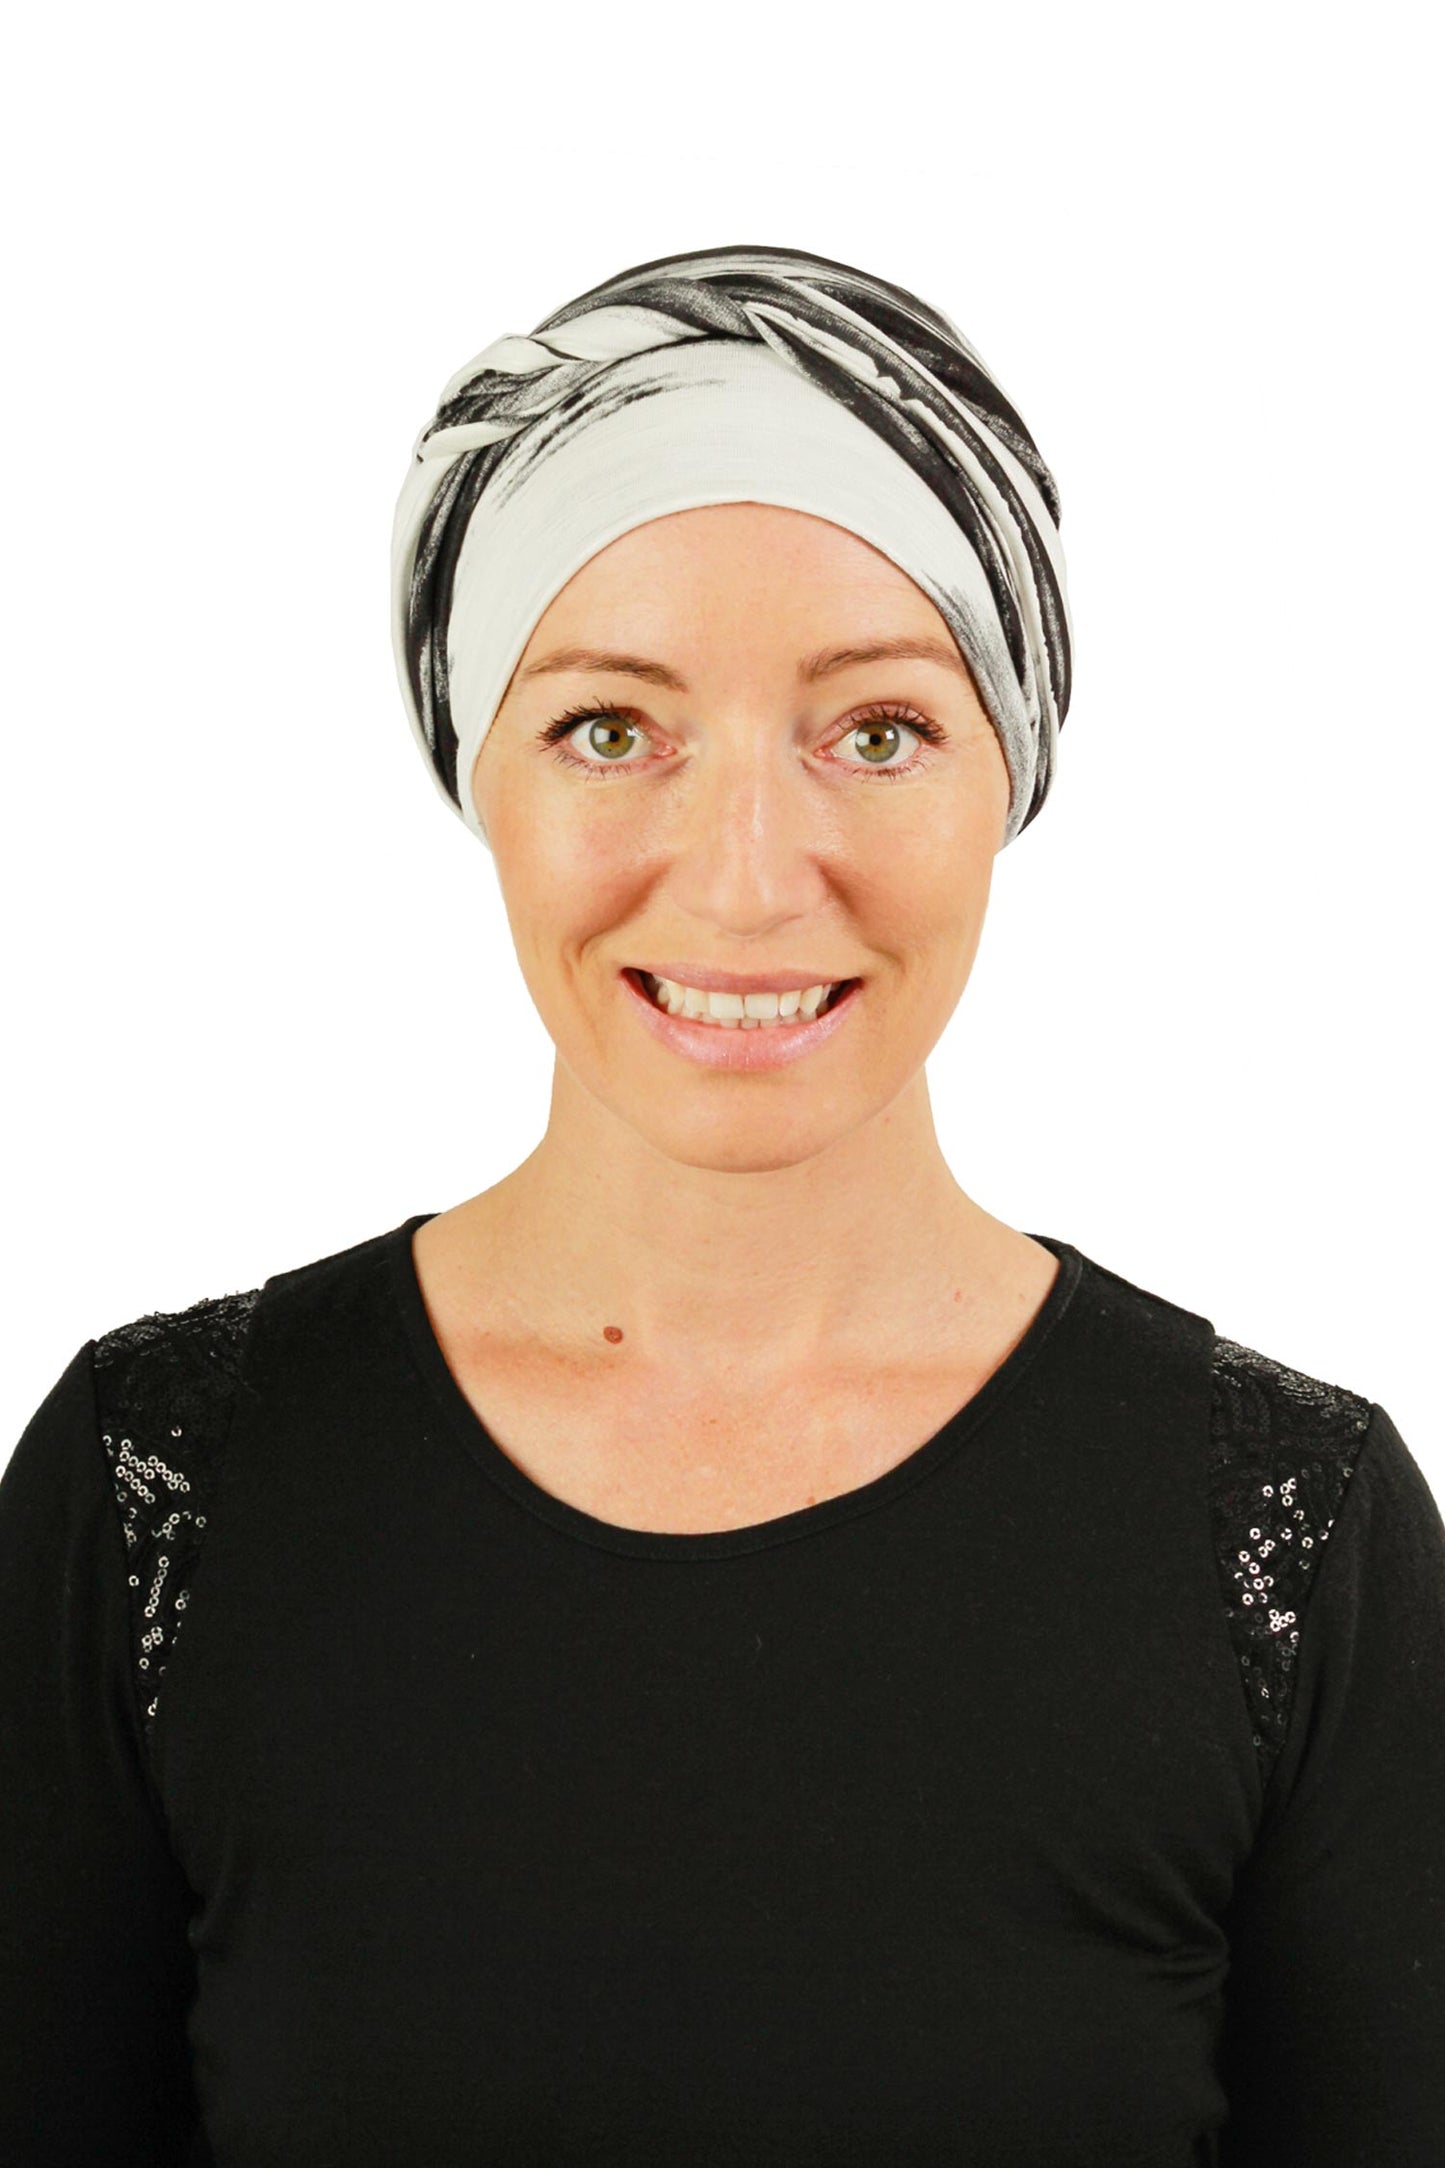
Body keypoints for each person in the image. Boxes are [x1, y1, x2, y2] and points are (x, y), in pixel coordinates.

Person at [1, 243, 1441, 2167]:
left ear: (1007, 771)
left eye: (877, 730)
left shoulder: (1289, 1529)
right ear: (478, 772)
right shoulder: (157, 1485)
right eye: (611, 728)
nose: (749, 880)